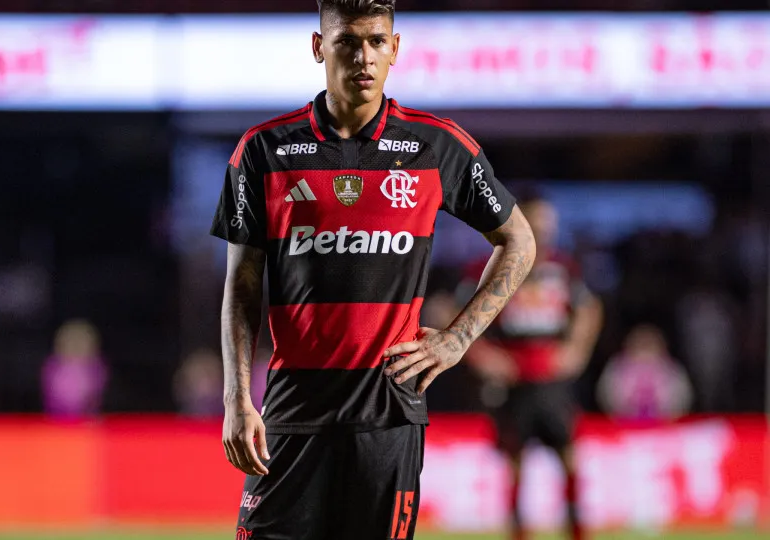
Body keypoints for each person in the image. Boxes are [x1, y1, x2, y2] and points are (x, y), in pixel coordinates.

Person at [209, 1, 536, 538]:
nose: (364, 57)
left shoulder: (436, 145)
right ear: (319, 48)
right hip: (293, 410)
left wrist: (457, 339)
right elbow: (241, 286)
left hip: (388, 413)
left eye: (377, 41)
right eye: (347, 41)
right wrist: (236, 398)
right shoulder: (264, 150)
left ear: (395, 48)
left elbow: (518, 240)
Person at [459, 193, 602, 540]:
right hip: (513, 381)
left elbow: (589, 308)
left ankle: (576, 529)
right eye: (537, 225)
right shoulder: (492, 266)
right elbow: (449, 309)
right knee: (515, 461)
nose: (544, 233)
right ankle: (518, 531)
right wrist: (480, 354)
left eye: (548, 226)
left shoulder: (562, 268)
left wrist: (577, 350)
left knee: (568, 455)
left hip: (552, 378)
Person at [597, 324, 692, 421]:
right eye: (639, 343)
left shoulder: (672, 369)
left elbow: (681, 398)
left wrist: (668, 414)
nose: (645, 347)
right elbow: (607, 396)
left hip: (664, 424)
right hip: (624, 424)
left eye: (650, 343)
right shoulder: (616, 368)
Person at [42, 319, 108, 418]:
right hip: (57, 418)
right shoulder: (51, 366)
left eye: (81, 342)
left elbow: (97, 395)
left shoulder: (97, 367)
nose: (76, 345)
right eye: (71, 341)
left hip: (87, 418)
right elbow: (49, 396)